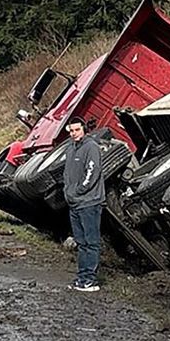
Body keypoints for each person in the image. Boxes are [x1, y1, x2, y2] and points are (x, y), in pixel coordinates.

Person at [63, 117, 104, 291]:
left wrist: (79, 190)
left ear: (84, 129)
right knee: (81, 242)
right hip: (74, 203)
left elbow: (92, 172)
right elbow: (67, 173)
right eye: (71, 131)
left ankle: (90, 279)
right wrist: (68, 191)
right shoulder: (70, 148)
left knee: (90, 242)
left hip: (89, 202)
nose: (74, 134)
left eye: (77, 130)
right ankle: (82, 277)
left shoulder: (91, 147)